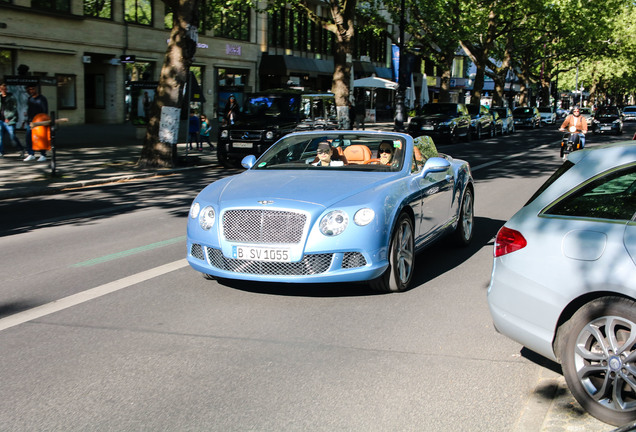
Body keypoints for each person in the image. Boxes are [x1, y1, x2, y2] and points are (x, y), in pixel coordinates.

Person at [23, 84, 49, 162]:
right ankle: (31, 154)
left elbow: (45, 110)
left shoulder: (42, 98)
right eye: (30, 89)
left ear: (36, 89)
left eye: (33, 89)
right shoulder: (30, 99)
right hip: (31, 121)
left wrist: (43, 121)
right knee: (29, 138)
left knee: (40, 138)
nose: (31, 91)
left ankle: (43, 154)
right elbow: (29, 110)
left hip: (39, 121)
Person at [0, 81, 24, 158]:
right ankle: (1, 152)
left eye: (5, 88)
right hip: (0, 120)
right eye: (2, 88)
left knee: (12, 136)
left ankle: (21, 149)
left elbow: (14, 109)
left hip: (9, 120)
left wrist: (8, 118)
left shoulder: (11, 97)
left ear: (6, 89)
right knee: (0, 137)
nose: (3, 90)